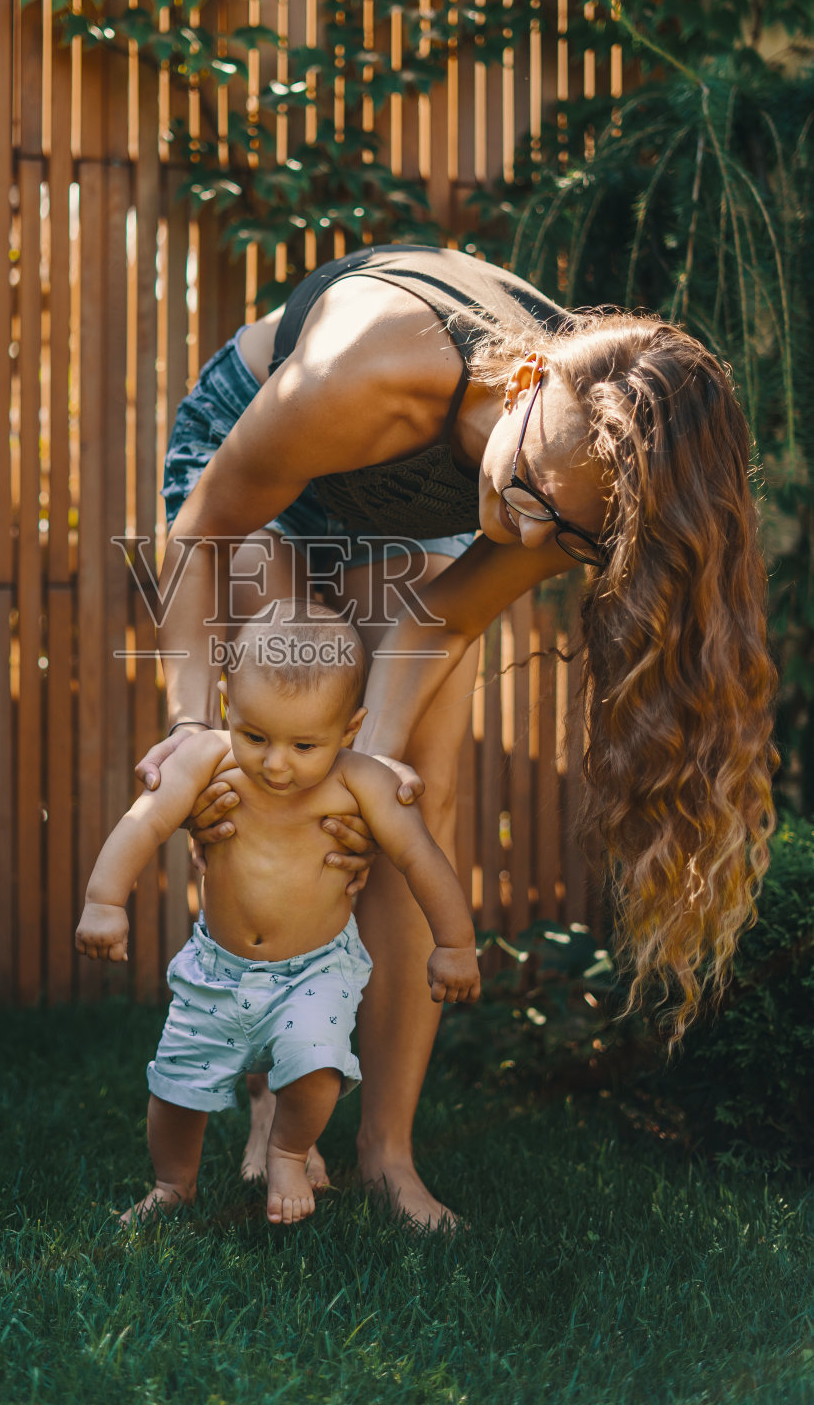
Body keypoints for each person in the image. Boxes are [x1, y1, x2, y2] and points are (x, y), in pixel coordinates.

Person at [135, 244, 777, 1230]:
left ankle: (386, 1153)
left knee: (406, 807)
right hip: (250, 474)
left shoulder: (571, 489)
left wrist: (376, 760)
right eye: (536, 506)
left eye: (565, 541)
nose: (527, 543)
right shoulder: (368, 371)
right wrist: (187, 728)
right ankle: (265, 1090)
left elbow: (436, 618)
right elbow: (204, 533)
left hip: (421, 497)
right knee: (271, 775)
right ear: (530, 383)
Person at [75, 606, 480, 1226]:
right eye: (255, 735)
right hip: (217, 967)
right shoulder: (207, 756)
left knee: (316, 1067)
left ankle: (289, 1149)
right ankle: (171, 1184)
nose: (275, 764)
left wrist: (454, 944)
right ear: (225, 703)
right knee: (175, 1090)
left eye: (304, 745)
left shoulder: (364, 781)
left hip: (316, 969)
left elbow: (421, 857)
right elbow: (145, 821)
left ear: (350, 731)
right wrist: (105, 901)